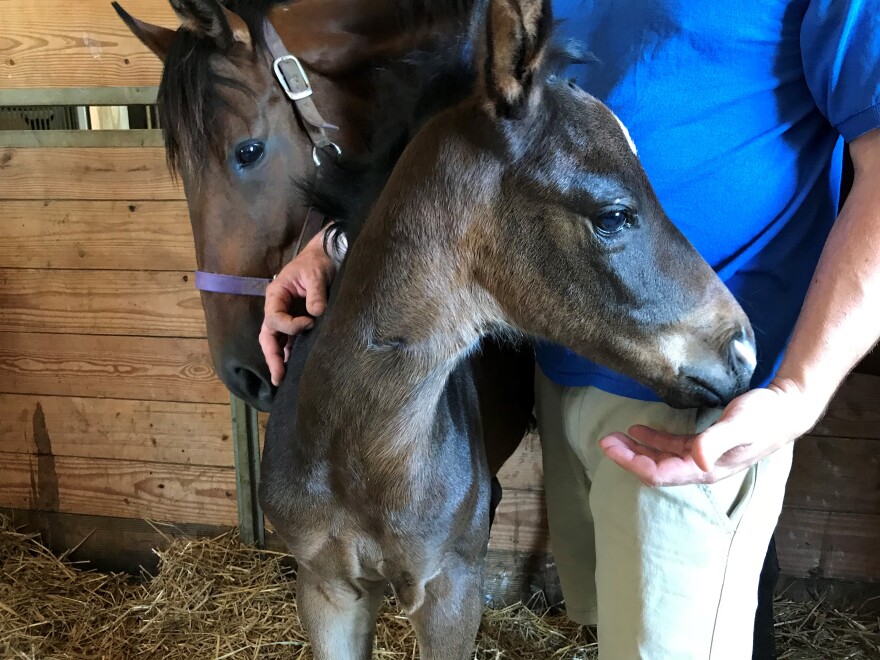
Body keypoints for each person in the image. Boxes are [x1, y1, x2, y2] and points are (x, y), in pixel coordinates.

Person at [260, 1, 880, 657]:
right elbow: (462, 140)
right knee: (614, 631)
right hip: (563, 366)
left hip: (694, 396)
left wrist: (799, 390)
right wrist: (337, 242)